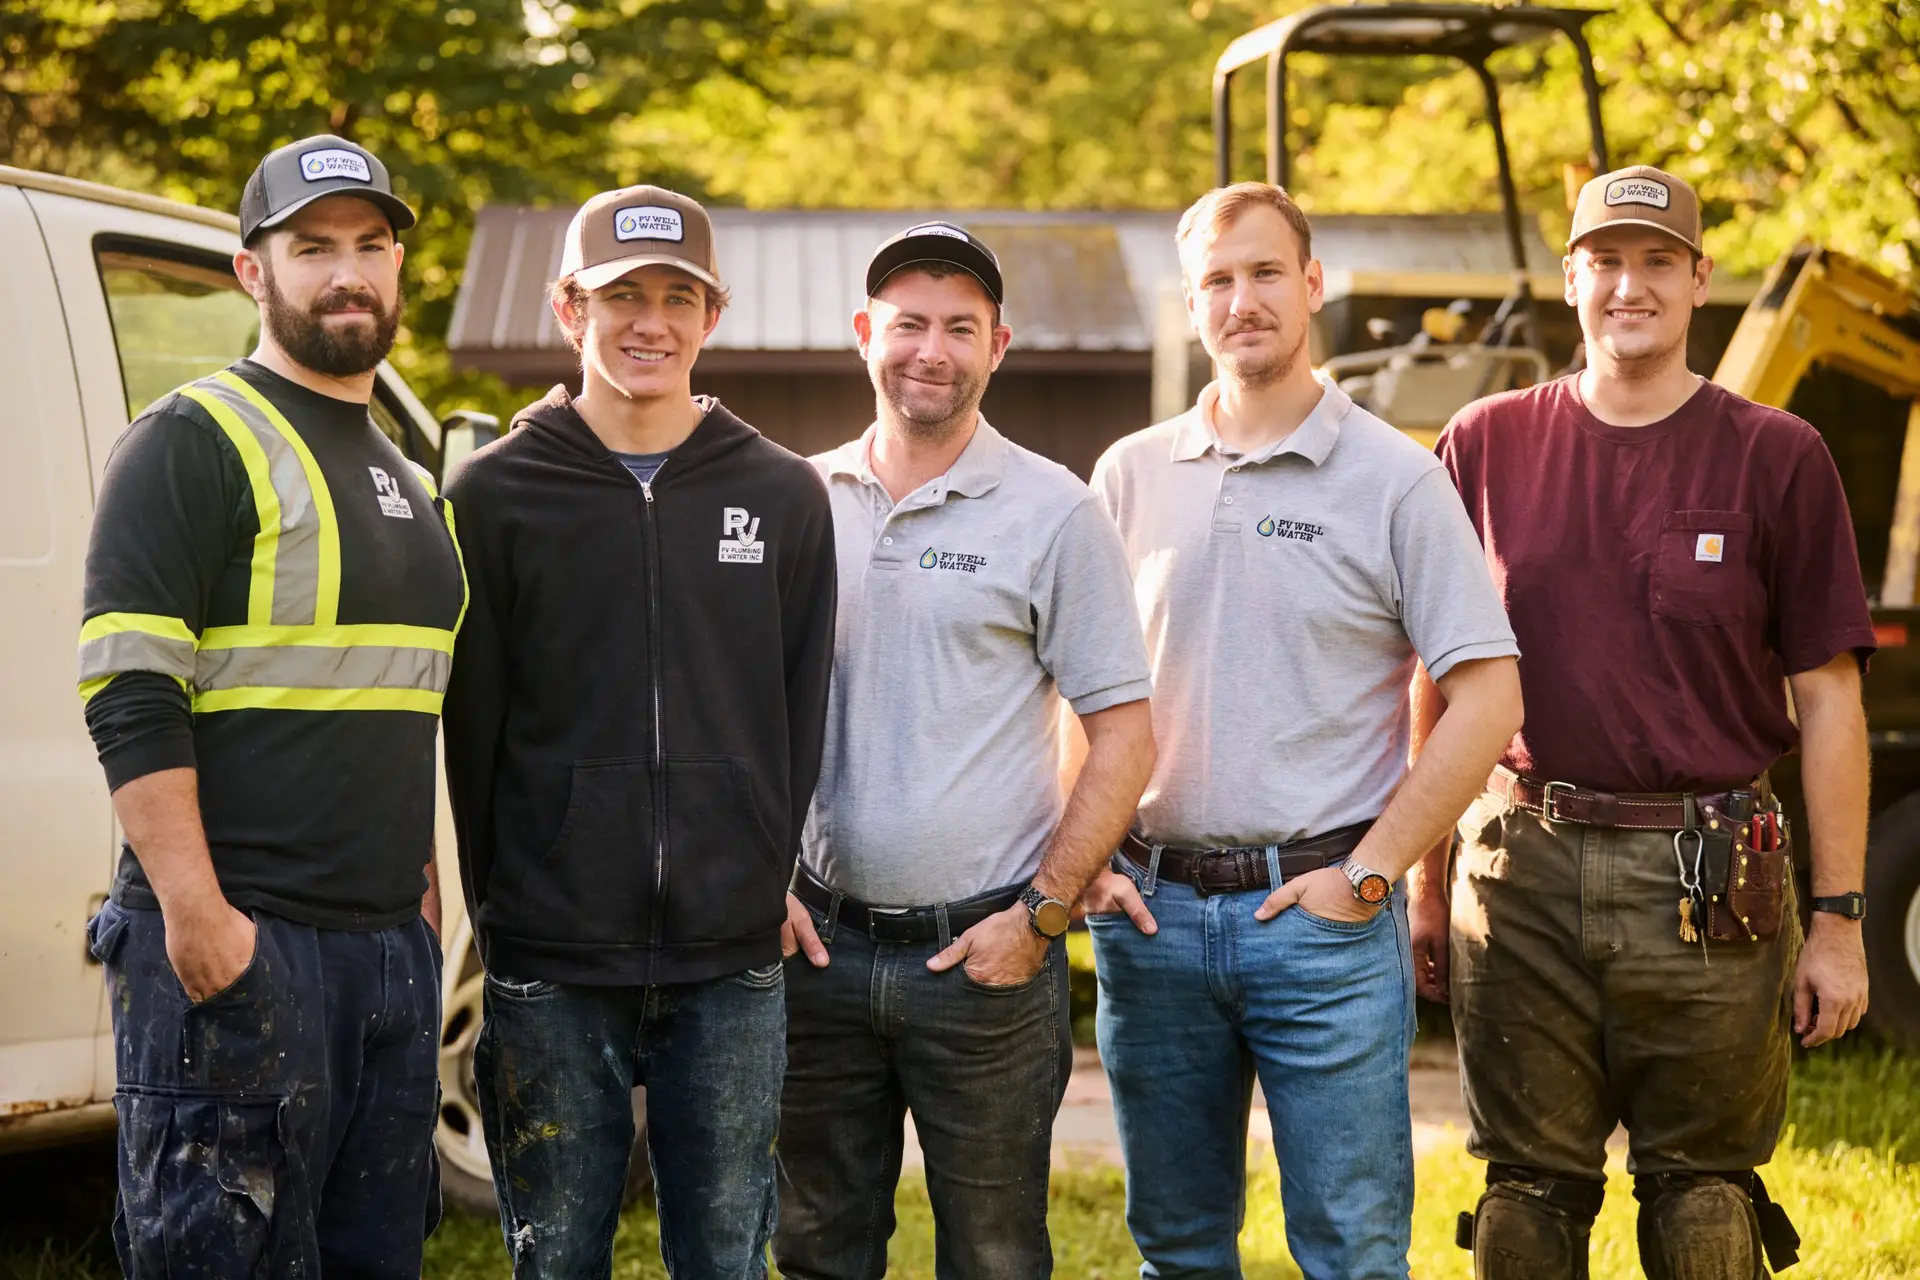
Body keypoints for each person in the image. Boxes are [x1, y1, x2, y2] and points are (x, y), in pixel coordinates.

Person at [1414, 165, 1875, 1279]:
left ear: (1700, 278)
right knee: (1526, 1191)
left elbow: (1828, 698)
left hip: (1712, 879)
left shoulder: (1778, 454)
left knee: (1705, 1194)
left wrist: (1840, 919)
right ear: (1572, 278)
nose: (1632, 284)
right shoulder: (1483, 443)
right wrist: (1422, 883)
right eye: (1607, 260)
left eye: (1658, 260)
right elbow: (1432, 674)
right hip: (1519, 872)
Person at [1083, 181, 1524, 1280]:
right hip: (1153, 923)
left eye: (1266, 271)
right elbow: (1073, 689)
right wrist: (1084, 860)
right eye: (1217, 281)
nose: (1244, 300)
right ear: (1192, 306)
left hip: (1320, 925)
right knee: (1178, 1249)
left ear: (1313, 282)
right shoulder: (1128, 475)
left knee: (1353, 1253)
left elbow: (1490, 699)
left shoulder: (1397, 479)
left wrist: (1373, 874)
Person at [77, 134, 459, 1276]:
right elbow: (129, 691)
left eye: (370, 245)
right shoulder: (190, 442)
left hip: (389, 955)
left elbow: (405, 705)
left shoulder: (412, 478)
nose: (347, 271)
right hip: (242, 944)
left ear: (397, 267)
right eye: (312, 248)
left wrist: (425, 906)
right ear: (254, 271)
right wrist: (199, 917)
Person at [441, 184, 837, 1280]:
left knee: (724, 1252)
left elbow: (796, 709)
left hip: (730, 959)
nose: (649, 321)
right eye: (621, 296)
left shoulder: (785, 493)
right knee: (557, 1253)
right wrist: (509, 906)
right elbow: (471, 727)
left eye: (677, 296)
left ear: (713, 315)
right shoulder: (493, 497)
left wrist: (760, 872)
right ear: (570, 309)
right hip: (552, 959)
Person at [773, 222, 1156, 1280]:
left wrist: (1041, 914)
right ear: (864, 335)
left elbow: (1125, 729)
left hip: (985, 964)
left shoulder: (1055, 509)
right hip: (818, 955)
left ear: (999, 345)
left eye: (959, 326)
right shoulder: (794, 499)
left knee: (994, 1256)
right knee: (813, 1247)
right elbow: (737, 715)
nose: (930, 350)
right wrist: (763, 878)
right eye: (907, 324)